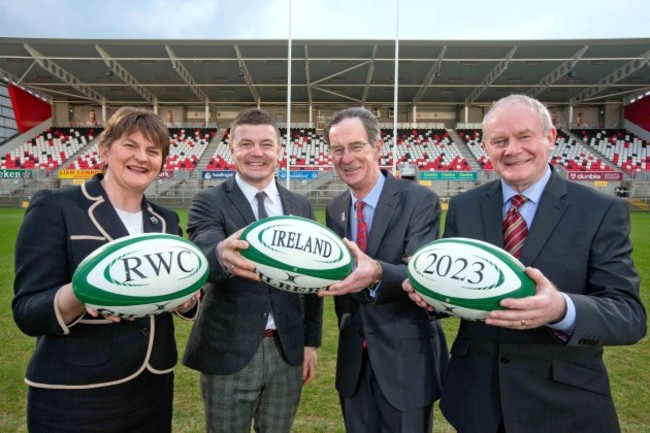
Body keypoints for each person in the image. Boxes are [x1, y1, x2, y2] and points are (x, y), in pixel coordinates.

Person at [404, 94, 647, 433]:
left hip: (563, 407)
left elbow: (629, 317)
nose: (512, 149)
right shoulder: (465, 206)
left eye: (524, 137)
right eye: (499, 141)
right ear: (486, 148)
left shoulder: (600, 211)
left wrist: (560, 309)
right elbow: (462, 292)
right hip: (477, 403)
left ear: (550, 139)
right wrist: (429, 294)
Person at [13, 106, 197, 433]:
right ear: (104, 150)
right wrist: (82, 294)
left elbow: (176, 292)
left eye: (153, 151)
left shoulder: (165, 220)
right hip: (77, 393)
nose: (142, 157)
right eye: (130, 145)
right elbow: (27, 312)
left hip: (152, 387)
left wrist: (187, 299)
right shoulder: (57, 207)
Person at [182, 108, 323, 433]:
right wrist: (220, 253)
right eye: (246, 144)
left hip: (286, 352)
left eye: (265, 144)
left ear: (279, 151)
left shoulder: (299, 206)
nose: (256, 152)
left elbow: (314, 281)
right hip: (228, 350)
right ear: (231, 149)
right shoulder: (209, 201)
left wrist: (310, 342)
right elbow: (205, 253)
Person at [319, 107, 448, 433]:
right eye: (337, 149)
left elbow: (423, 277)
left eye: (356, 146)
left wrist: (377, 273)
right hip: (354, 365)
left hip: (405, 361)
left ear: (377, 147)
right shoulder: (335, 209)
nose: (346, 157)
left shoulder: (419, 200)